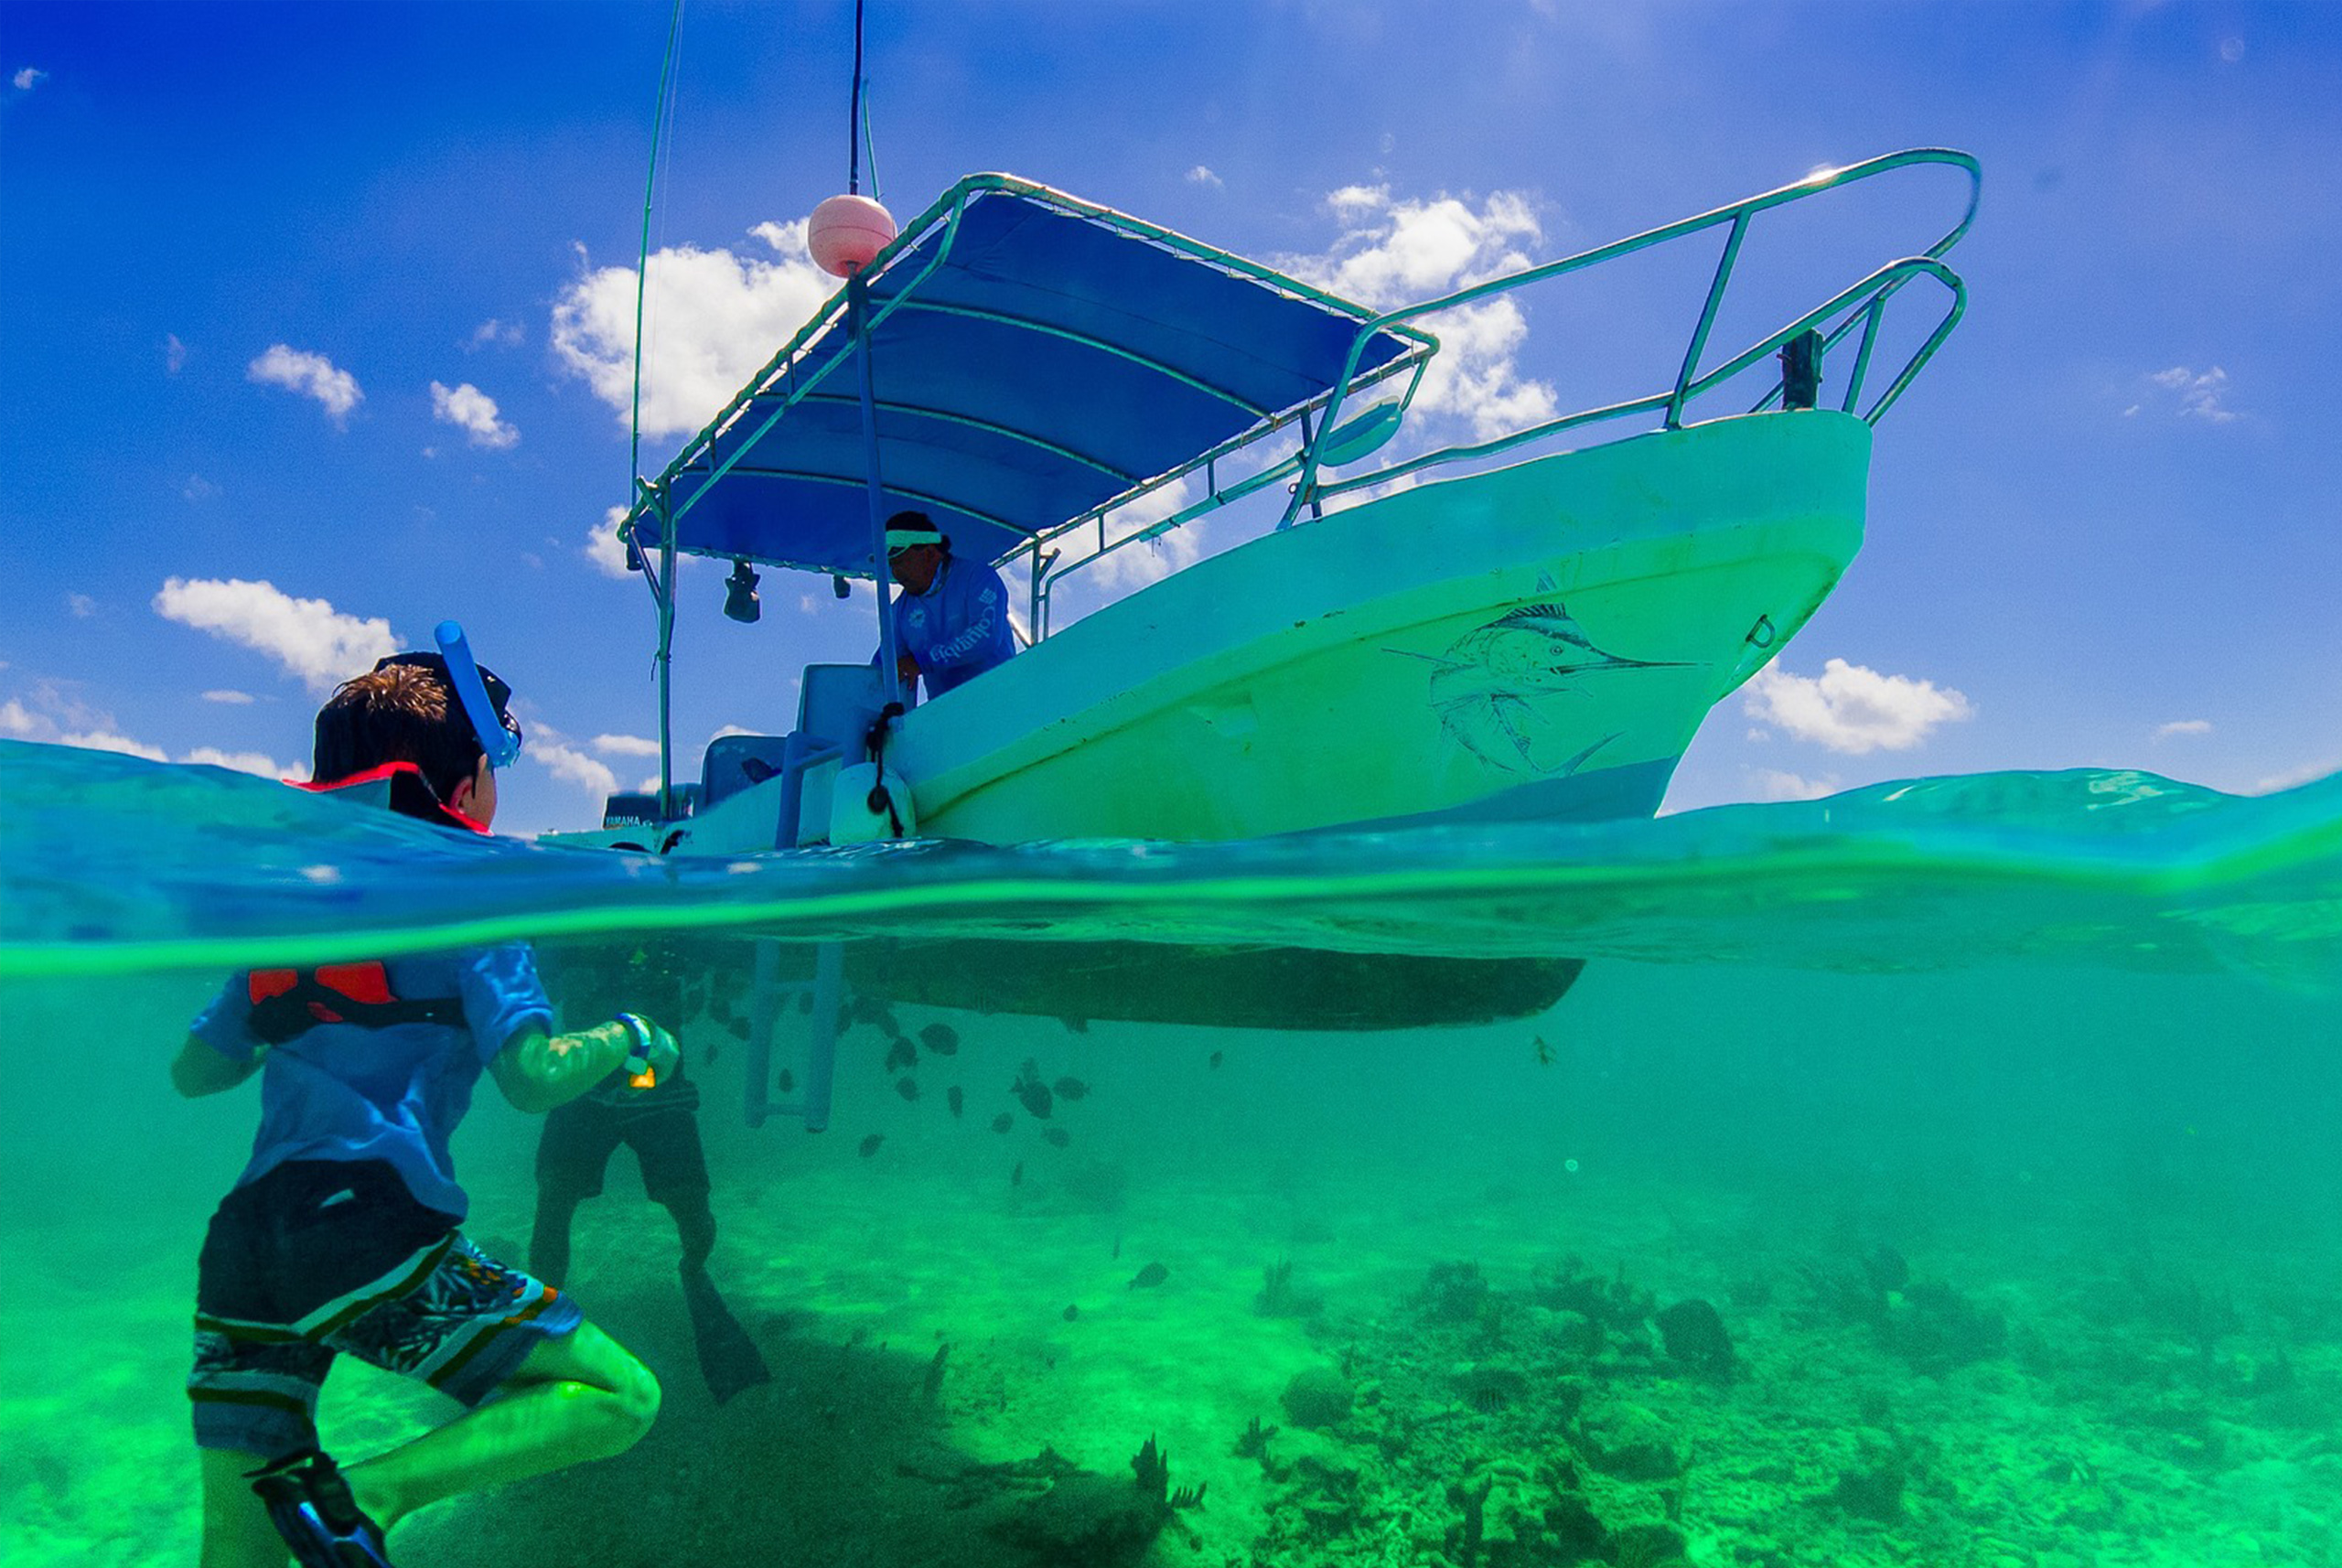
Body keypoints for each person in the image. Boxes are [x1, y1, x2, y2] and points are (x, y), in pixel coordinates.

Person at [172, 648, 680, 1568]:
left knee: (233, 1556)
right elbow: (533, 1076)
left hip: (245, 1244)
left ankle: (332, 1504)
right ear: (472, 776)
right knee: (620, 1396)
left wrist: (290, 1017)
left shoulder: (292, 911)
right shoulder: (471, 894)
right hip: (368, 1230)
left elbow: (194, 1073)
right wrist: (632, 1036)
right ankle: (374, 1491)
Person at [530, 944, 771, 1405]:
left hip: (655, 1090)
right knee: (555, 1197)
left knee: (690, 1211)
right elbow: (543, 980)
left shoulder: (659, 925)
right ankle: (542, 1322)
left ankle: (695, 1275)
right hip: (588, 1087)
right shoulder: (577, 923)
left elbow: (730, 960)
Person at [879, 509, 1017, 700]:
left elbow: (985, 636)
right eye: (891, 564)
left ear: (929, 553)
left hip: (1002, 699)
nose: (896, 572)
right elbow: (882, 667)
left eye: (901, 561)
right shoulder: (898, 611)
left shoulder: (978, 577)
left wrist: (922, 662)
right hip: (946, 716)